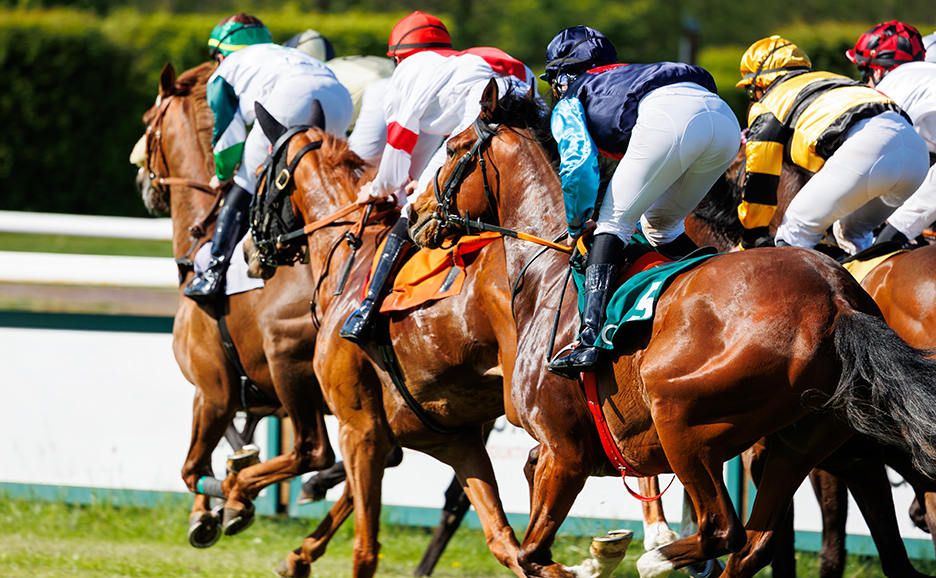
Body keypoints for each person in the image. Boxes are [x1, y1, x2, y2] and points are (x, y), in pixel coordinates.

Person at [544, 26, 741, 379]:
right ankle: (725, 293)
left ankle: (589, 340)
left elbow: (578, 168)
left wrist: (577, 224)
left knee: (612, 222)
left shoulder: (573, 96)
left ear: (564, 75)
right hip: (724, 119)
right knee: (661, 226)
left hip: (670, 117)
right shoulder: (625, 75)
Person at [338, 11, 536, 344]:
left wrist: (380, 190)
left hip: (481, 124)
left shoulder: (410, 72)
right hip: (528, 112)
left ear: (400, 56)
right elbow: (429, 148)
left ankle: (366, 311)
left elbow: (400, 145)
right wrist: (418, 179)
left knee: (410, 212)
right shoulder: (460, 62)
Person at [183, 14, 353, 302]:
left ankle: (213, 271)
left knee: (246, 180)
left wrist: (223, 174)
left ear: (222, 53)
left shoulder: (225, 71)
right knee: (323, 178)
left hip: (291, 96)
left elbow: (227, 138)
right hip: (340, 98)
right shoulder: (282, 53)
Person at [734, 35, 928, 255]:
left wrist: (750, 240)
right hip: (916, 154)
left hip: (870, 147)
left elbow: (760, 179)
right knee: (850, 235)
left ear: (758, 85)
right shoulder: (832, 79)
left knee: (793, 232)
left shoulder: (770, 103)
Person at [846, 21, 936, 248]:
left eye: (863, 71)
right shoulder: (924, 77)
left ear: (877, 70)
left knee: (881, 243)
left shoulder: (894, 85)